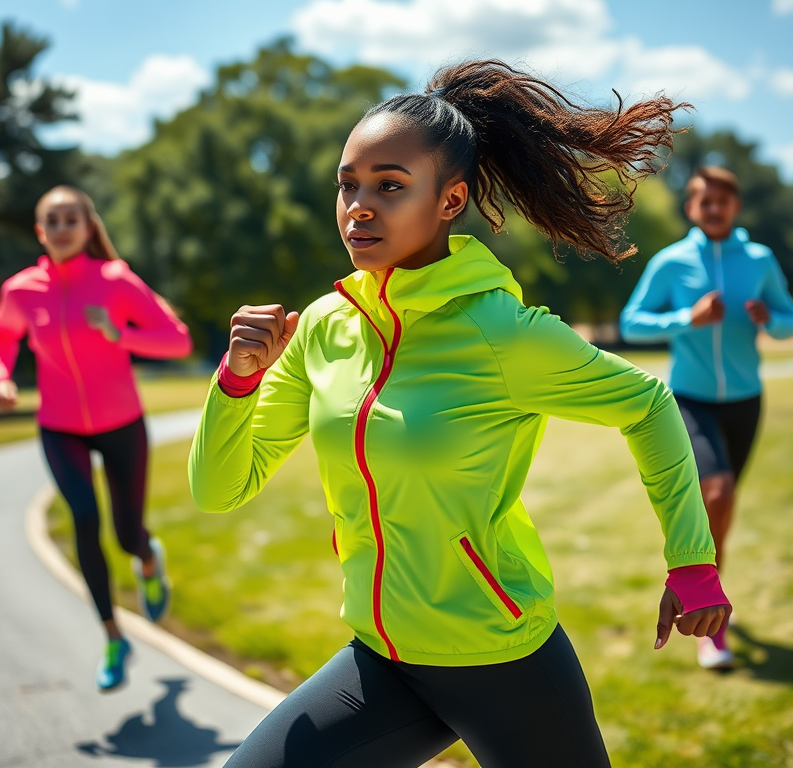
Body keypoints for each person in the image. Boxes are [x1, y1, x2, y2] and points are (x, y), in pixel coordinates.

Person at [189, 61, 730, 767]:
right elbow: (219, 488)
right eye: (348, 184)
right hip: (382, 656)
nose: (358, 206)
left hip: (500, 659)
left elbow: (648, 404)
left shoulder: (502, 331)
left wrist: (691, 562)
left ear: (451, 201)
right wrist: (236, 383)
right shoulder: (323, 327)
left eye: (389, 186)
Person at [0, 185, 193, 691]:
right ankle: (113, 636)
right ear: (40, 231)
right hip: (60, 426)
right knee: (83, 516)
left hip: (121, 423)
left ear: (86, 225)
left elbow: (178, 339)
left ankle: (147, 558)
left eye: (69, 219)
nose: (61, 228)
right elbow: (0, 333)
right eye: (51, 220)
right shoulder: (22, 289)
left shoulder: (115, 280)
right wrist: (0, 377)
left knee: (125, 533)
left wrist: (121, 334)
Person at [620, 166, 793, 670]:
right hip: (690, 397)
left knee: (722, 503)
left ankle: (712, 591)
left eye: (723, 200)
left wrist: (771, 320)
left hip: (746, 399)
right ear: (691, 207)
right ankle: (707, 615)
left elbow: (790, 320)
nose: (714, 208)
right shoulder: (672, 262)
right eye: (705, 200)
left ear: (736, 206)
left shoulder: (760, 259)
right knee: (714, 492)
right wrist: (687, 319)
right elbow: (632, 322)